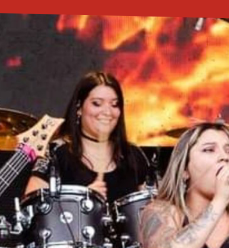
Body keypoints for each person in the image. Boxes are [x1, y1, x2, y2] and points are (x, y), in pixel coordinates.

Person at [25, 70, 150, 203]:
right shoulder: (55, 153)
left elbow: (152, 207)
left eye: (114, 104)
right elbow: (31, 204)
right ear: (79, 108)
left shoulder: (133, 155)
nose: (108, 112)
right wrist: (81, 201)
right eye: (97, 103)